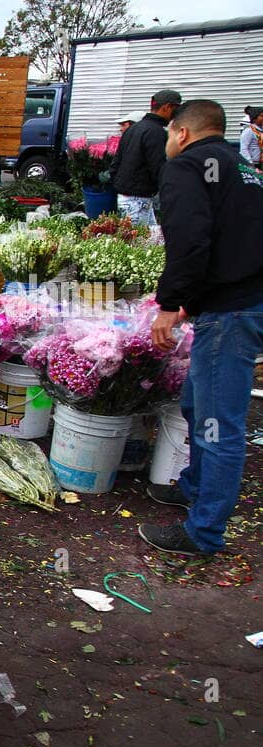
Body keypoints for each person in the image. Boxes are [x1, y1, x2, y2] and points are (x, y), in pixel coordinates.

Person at [139, 99, 263, 557]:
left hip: (232, 311)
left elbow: (190, 240)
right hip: (243, 298)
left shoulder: (187, 167)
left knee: (217, 424)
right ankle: (194, 486)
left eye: (169, 135)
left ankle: (203, 532)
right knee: (196, 402)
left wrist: (171, 304)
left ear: (182, 133)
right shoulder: (244, 167)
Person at [110, 88, 181, 228]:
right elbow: (158, 167)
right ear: (167, 107)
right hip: (138, 198)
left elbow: (116, 162)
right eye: (176, 109)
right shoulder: (156, 132)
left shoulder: (133, 128)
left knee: (149, 240)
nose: (177, 115)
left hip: (127, 196)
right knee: (136, 244)